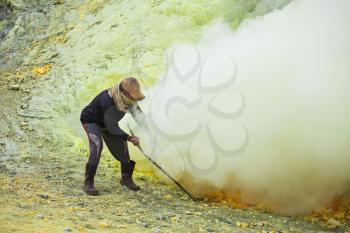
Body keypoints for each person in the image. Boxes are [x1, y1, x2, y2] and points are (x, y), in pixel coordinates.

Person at [80, 77, 145, 195]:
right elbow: (112, 128)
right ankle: (88, 183)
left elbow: (140, 118)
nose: (134, 101)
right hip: (92, 121)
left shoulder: (128, 98)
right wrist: (130, 138)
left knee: (122, 147)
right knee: (97, 145)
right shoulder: (107, 100)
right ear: (125, 93)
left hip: (109, 124)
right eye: (132, 97)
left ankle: (126, 178)